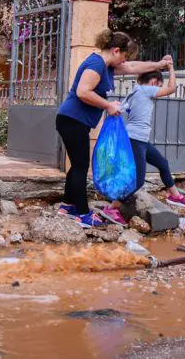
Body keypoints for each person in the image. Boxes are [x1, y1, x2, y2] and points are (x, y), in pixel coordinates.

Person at [55, 29, 172, 228]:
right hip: (72, 120)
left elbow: (134, 67)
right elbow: (83, 91)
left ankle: (67, 205)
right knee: (81, 166)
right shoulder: (96, 63)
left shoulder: (107, 66)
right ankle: (82, 214)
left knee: (77, 165)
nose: (124, 62)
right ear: (116, 51)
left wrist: (160, 64)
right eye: (124, 57)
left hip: (75, 121)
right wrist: (108, 105)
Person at [99, 61, 185, 226]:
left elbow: (121, 110)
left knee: (162, 163)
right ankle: (112, 207)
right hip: (136, 140)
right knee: (138, 180)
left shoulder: (134, 92)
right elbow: (171, 88)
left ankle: (175, 195)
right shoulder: (146, 90)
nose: (159, 90)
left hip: (138, 139)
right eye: (158, 85)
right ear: (154, 82)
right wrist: (171, 68)